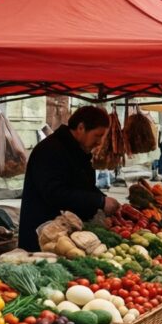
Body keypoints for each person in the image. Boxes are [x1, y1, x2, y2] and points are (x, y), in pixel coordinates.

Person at [20, 106, 120, 252]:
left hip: (67, 236)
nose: (99, 142)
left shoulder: (78, 150)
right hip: (44, 236)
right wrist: (99, 201)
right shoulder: (50, 150)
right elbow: (55, 193)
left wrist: (103, 199)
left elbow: (83, 185)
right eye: (97, 135)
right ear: (81, 128)